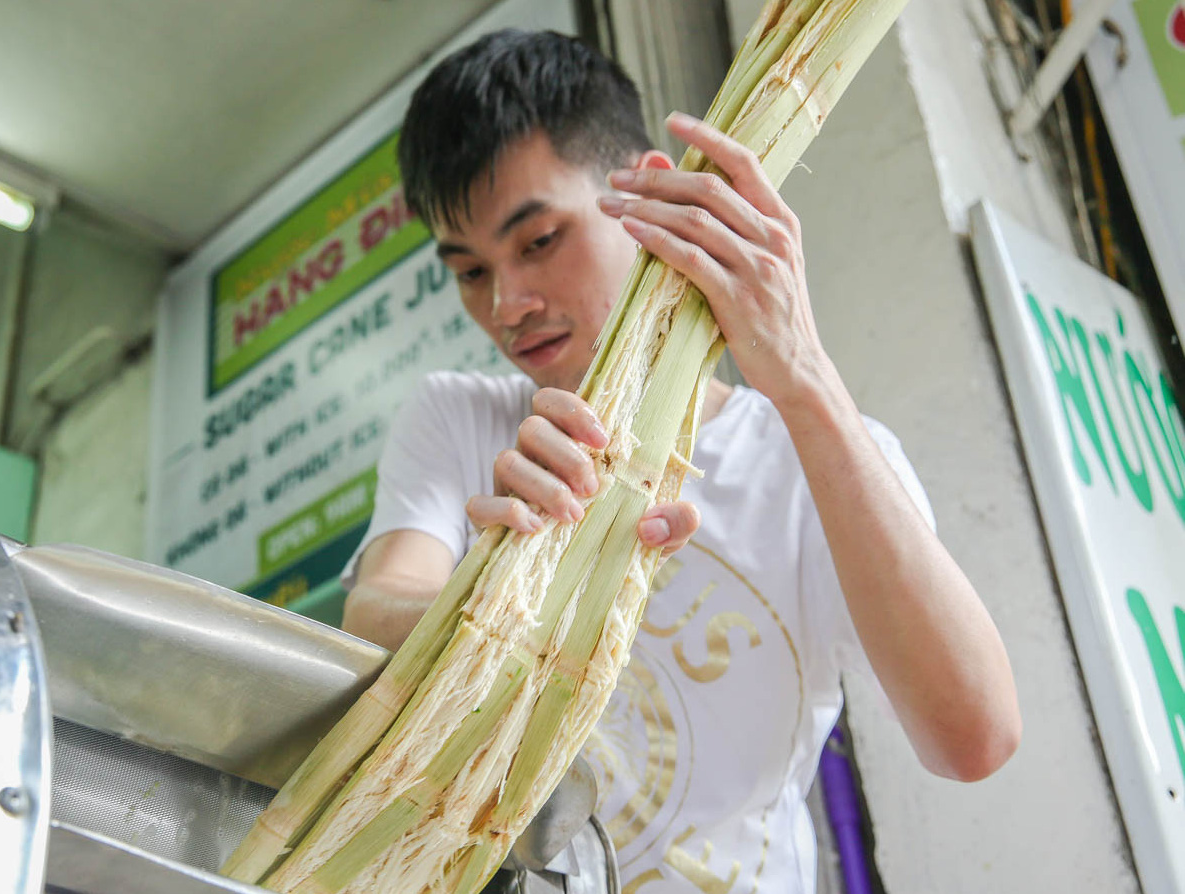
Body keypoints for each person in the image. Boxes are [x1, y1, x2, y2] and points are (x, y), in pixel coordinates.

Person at [339, 29, 1020, 893]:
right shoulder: (464, 419)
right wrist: (503, 586)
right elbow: (368, 619)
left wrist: (804, 376)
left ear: (645, 192)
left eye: (539, 240)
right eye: (470, 271)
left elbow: (974, 739)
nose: (507, 304)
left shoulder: (805, 458)